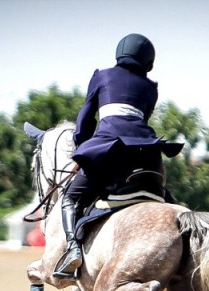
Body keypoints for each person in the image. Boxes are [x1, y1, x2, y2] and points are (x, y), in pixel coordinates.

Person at [53, 33, 184, 278]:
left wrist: (81, 152)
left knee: (70, 198)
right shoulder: (150, 88)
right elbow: (140, 122)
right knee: (172, 207)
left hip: (110, 153)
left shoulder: (101, 76)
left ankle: (72, 250)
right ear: (148, 61)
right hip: (149, 156)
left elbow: (85, 119)